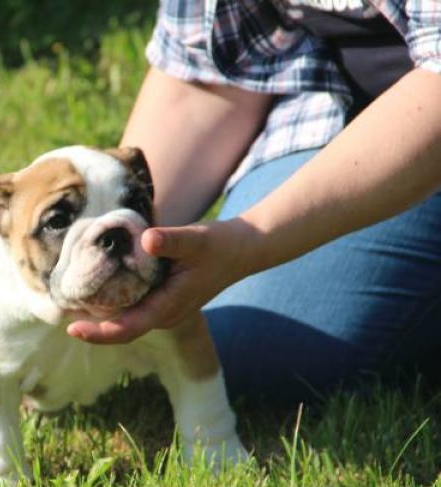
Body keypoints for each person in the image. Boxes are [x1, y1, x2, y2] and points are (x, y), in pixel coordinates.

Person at [67, 0, 441, 406]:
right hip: (322, 96)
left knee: (267, 353)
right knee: (223, 333)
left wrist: (249, 241)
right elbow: (201, 75)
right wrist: (120, 249)